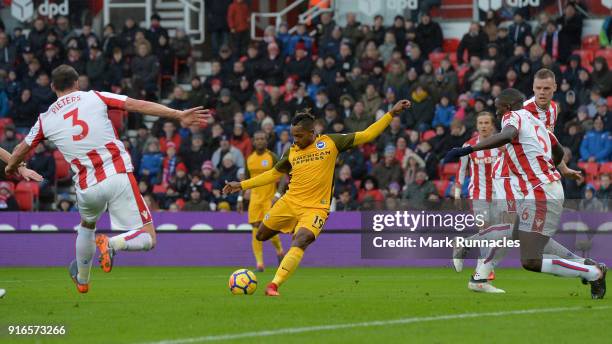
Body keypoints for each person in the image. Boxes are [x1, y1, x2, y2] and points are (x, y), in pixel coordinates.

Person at [4, 65, 209, 294]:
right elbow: (137, 105)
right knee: (148, 238)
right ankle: (111, 244)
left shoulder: (45, 119)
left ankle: (82, 280)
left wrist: (13, 167)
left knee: (87, 225)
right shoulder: (96, 97)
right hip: (116, 173)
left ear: (53, 87)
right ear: (78, 83)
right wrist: (178, 114)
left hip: (86, 187)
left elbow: (22, 148)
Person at [223, 100, 412, 296]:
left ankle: (273, 285)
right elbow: (273, 174)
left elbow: (367, 134)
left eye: (299, 136)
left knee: (301, 240)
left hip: (315, 208)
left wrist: (391, 113)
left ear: (312, 132)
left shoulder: (331, 143)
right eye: (293, 135)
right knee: (261, 235)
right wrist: (242, 185)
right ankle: (292, 232)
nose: (295, 140)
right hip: (289, 202)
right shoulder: (292, 151)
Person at [445, 88, 606, 299]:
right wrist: (562, 169)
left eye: (498, 108)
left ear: (508, 107)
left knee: (530, 259)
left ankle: (593, 273)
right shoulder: (536, 122)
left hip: (541, 192)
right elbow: (557, 150)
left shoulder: (512, 117)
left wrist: (469, 150)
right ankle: (586, 265)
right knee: (516, 232)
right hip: (543, 189)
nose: (496, 113)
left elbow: (507, 135)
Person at [238, 131, 285, 272]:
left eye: (262, 139)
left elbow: (282, 176)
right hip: (254, 199)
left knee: (269, 228)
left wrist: (278, 193)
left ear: (266, 141)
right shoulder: (250, 159)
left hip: (269, 199)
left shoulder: (272, 156)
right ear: (253, 141)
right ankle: (259, 263)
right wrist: (240, 198)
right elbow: (245, 180)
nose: (260, 141)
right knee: (255, 228)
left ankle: (279, 250)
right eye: (257, 139)